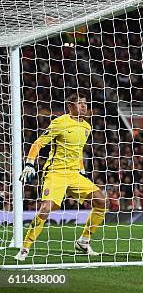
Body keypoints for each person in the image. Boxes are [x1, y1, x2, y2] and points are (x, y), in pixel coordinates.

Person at [15, 93, 108, 261]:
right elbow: (38, 143)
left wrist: (82, 171)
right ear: (70, 106)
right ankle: (25, 247)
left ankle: (84, 241)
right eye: (80, 103)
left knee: (101, 202)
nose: (84, 106)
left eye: (85, 103)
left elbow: (77, 151)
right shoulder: (59, 123)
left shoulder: (87, 127)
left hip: (74, 174)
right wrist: (29, 164)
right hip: (55, 173)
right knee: (46, 209)